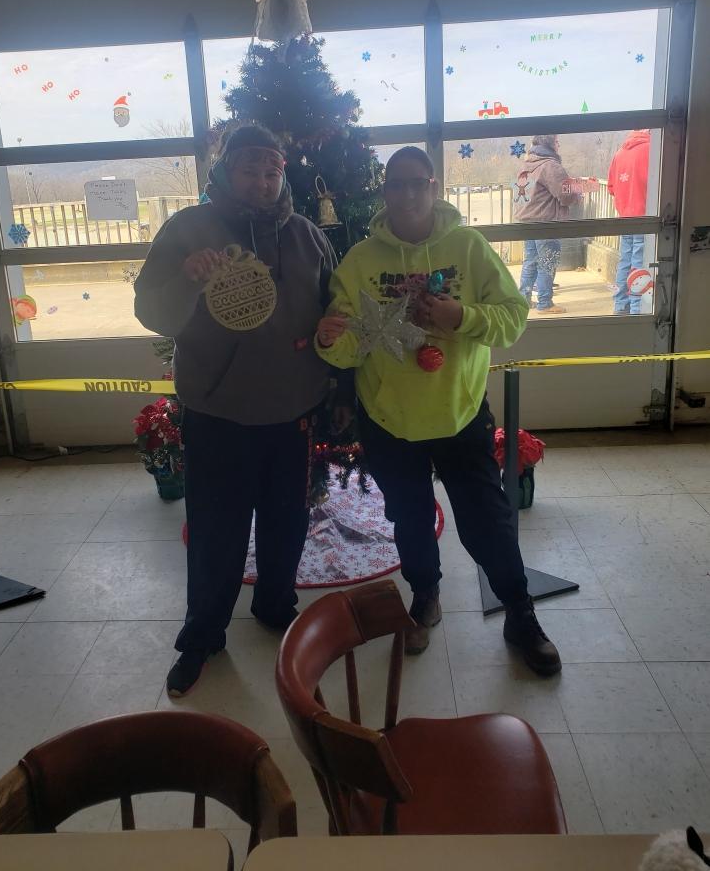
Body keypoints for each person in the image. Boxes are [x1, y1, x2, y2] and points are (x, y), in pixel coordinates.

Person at [315, 146, 561, 676]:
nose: (407, 194)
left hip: (460, 412)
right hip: (389, 419)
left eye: (417, 183)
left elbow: (513, 319)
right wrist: (328, 339)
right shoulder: (360, 262)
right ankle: (424, 597)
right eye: (396, 185)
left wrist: (462, 315)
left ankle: (520, 612)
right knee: (408, 517)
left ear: (433, 187)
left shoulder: (468, 248)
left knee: (487, 521)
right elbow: (344, 347)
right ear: (384, 193)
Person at [135, 124, 347, 697]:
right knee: (216, 531)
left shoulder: (306, 236)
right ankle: (202, 634)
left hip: (292, 410)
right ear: (227, 171)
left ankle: (275, 605)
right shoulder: (187, 231)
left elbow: (335, 310)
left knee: (287, 520)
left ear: (283, 174)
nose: (261, 181)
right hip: (218, 411)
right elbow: (152, 313)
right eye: (249, 170)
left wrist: (331, 337)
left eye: (271, 171)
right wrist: (185, 278)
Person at [514, 134, 598, 315]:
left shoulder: (527, 163)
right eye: (557, 142)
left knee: (531, 261)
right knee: (547, 262)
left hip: (527, 221)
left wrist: (582, 185)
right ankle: (545, 303)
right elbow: (565, 193)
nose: (559, 145)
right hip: (545, 222)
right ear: (550, 143)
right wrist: (581, 193)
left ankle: (523, 300)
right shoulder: (550, 165)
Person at [607, 130, 650, 315]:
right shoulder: (651, 150)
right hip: (645, 217)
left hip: (625, 217)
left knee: (625, 261)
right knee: (639, 264)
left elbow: (611, 187)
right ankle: (636, 308)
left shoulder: (619, 153)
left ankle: (620, 304)